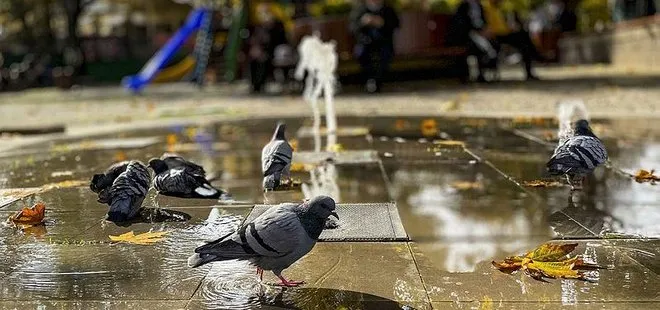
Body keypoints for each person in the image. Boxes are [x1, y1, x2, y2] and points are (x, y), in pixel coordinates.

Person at [482, 0, 541, 80]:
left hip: (505, 33)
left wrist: (511, 27)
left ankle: (531, 67)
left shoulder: (502, 7)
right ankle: (537, 55)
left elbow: (505, 23)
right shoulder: (485, 7)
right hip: (494, 36)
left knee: (524, 38)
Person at [349, 0, 400, 93]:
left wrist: (382, 23)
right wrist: (362, 22)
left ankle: (377, 81)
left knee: (385, 55)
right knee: (361, 54)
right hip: (365, 43)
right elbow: (352, 28)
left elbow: (396, 25)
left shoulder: (388, 9)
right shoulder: (360, 10)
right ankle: (370, 80)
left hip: (384, 43)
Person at [446, 0, 498, 83]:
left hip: (480, 34)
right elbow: (461, 24)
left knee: (494, 44)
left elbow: (483, 21)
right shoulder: (463, 6)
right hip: (467, 36)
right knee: (479, 48)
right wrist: (477, 30)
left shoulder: (479, 5)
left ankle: (486, 73)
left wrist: (486, 30)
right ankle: (474, 74)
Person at [248, 3, 288, 93]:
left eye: (264, 12)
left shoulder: (277, 24)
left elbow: (279, 40)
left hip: (273, 50)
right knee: (253, 59)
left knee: (263, 60)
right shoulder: (259, 26)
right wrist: (255, 49)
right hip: (260, 51)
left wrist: (264, 50)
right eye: (260, 13)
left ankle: (260, 84)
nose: (262, 15)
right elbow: (254, 39)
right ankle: (255, 85)